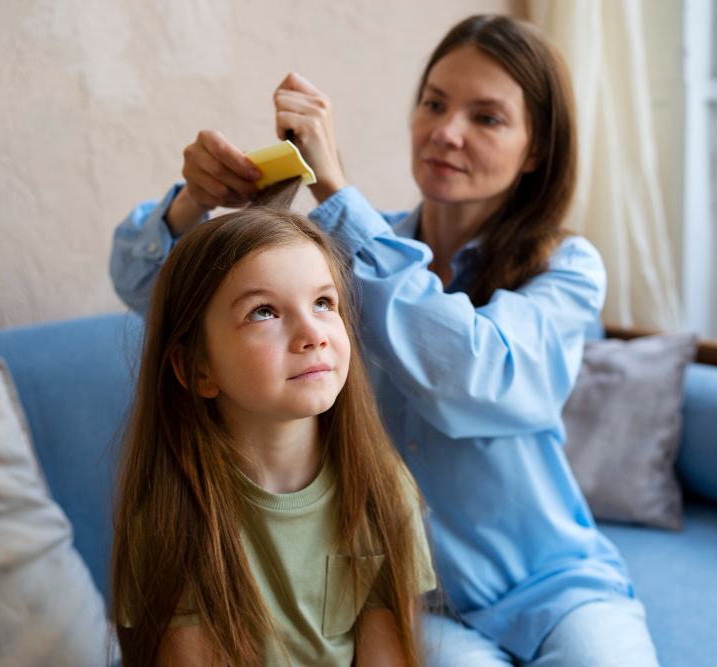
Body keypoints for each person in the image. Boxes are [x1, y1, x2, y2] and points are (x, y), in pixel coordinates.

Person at [110, 13, 660, 666]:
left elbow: (474, 374)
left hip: (557, 581)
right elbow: (153, 290)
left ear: (536, 149)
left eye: (486, 117)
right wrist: (190, 205)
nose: (446, 132)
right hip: (415, 593)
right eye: (434, 102)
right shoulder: (349, 255)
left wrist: (337, 192)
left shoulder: (565, 267)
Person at [109, 188, 437, 667]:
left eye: (324, 303)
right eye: (264, 311)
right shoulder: (170, 518)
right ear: (198, 369)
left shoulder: (383, 490)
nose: (313, 334)